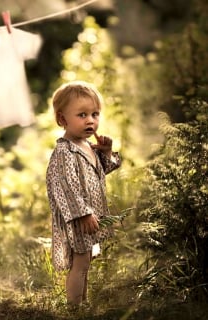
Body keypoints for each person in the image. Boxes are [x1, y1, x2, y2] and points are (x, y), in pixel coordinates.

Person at [45, 80, 121, 307]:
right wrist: (83, 213)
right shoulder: (65, 151)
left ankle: (82, 303)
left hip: (90, 216)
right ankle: (74, 307)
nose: (90, 120)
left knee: (85, 261)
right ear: (62, 119)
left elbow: (102, 171)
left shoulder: (88, 145)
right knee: (80, 264)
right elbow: (65, 187)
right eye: (82, 115)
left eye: (95, 114)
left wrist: (106, 152)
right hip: (78, 218)